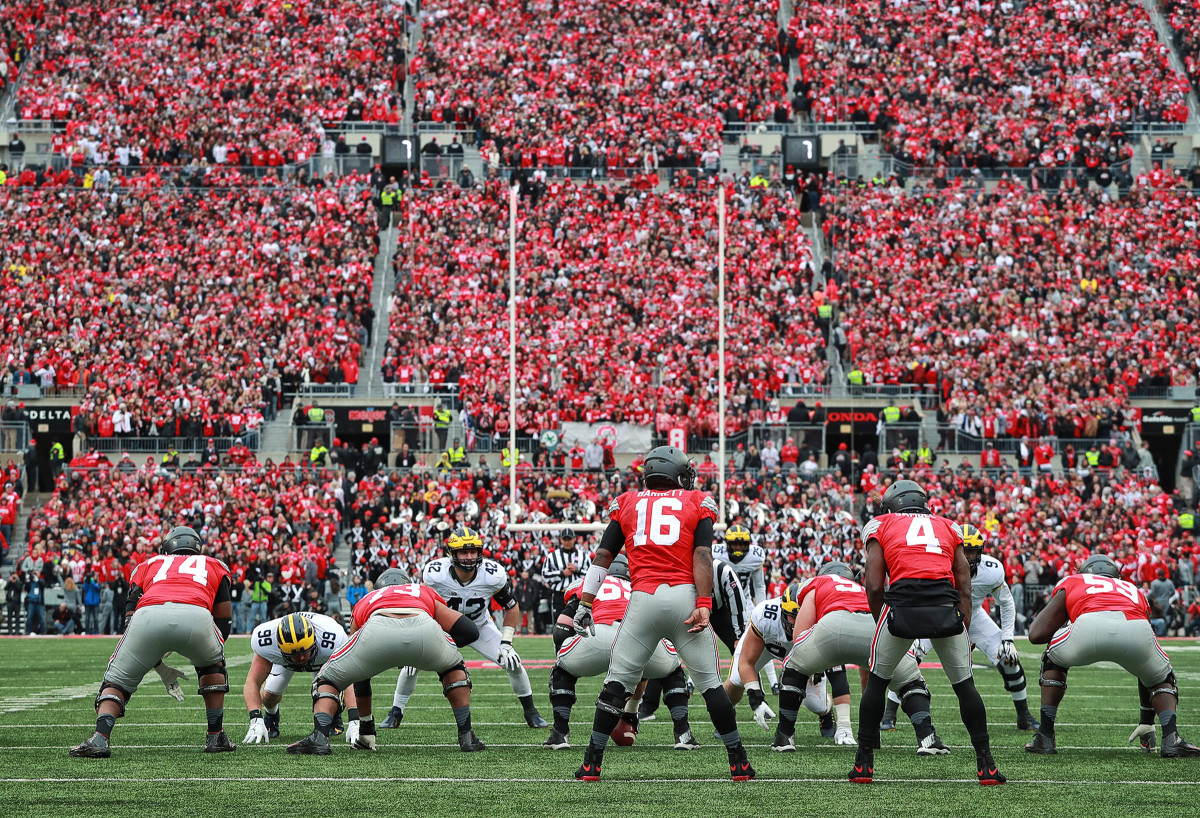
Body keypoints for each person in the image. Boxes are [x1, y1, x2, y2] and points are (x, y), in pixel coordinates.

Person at [569, 446, 754, 781]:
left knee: (617, 684)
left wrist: (585, 602)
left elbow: (603, 556)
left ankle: (591, 762)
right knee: (711, 685)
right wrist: (704, 603)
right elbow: (701, 553)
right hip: (684, 597)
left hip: (642, 600)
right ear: (675, 473)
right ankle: (738, 762)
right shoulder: (697, 500)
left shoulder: (626, 501)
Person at [850, 480, 1005, 785]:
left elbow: (874, 583)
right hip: (945, 609)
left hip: (903, 608)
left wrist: (881, 615)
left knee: (877, 683)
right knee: (965, 687)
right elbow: (964, 581)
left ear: (892, 505)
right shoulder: (948, 525)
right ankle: (986, 764)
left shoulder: (880, 523)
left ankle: (863, 764)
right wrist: (964, 623)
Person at [70, 526, 234, 758]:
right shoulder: (214, 564)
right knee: (213, 665)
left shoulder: (148, 564)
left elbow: (129, 619)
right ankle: (215, 735)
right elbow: (224, 620)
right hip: (197, 612)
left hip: (148, 613)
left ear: (165, 547)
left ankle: (100, 738)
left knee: (117, 680)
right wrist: (209, 656)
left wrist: (159, 666)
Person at [286, 567, 486, 755]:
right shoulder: (420, 590)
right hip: (424, 629)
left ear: (379, 587)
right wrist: (431, 652)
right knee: (454, 666)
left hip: (377, 628)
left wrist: (366, 730)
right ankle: (466, 735)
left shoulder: (368, 598)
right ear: (407, 583)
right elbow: (469, 631)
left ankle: (321, 737)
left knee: (327, 680)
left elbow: (360, 676)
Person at [1024, 554, 1200, 758]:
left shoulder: (1074, 580)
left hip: (1088, 627)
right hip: (1136, 627)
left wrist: (1066, 622)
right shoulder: (1133, 589)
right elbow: (1143, 664)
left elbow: (1036, 634)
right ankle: (1171, 738)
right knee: (1160, 674)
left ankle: (1045, 736)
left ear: (1085, 571)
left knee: (1052, 658)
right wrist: (1146, 720)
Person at [379, 525, 546, 730]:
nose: (468, 557)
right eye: (463, 552)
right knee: (410, 665)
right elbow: (422, 602)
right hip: (442, 627)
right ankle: (396, 712)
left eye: (473, 551)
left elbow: (511, 607)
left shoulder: (492, 575)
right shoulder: (435, 574)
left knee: (513, 662)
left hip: (480, 626)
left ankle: (531, 711)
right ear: (452, 554)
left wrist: (507, 641)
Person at [778, 562, 949, 756]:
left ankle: (785, 736)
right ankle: (927, 737)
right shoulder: (860, 589)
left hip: (835, 623)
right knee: (910, 680)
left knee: (793, 665)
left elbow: (800, 635)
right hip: (876, 627)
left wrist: (811, 664)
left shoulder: (817, 583)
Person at [882, 524, 1038, 732]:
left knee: (1009, 659)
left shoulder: (991, 570)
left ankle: (1024, 715)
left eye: (972, 551)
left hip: (974, 616)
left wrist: (1007, 639)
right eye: (963, 550)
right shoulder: (937, 565)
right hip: (938, 613)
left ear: (980, 551)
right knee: (909, 659)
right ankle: (889, 714)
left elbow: (1006, 603)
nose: (967, 557)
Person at [544, 554, 700, 750]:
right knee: (673, 670)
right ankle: (683, 735)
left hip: (598, 634)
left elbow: (562, 628)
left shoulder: (585, 583)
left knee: (562, 670)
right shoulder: (643, 583)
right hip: (638, 637)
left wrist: (565, 659)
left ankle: (560, 734)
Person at [722, 582, 851, 745]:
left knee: (816, 704)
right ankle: (725, 716)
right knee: (736, 679)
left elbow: (839, 674)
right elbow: (746, 662)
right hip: (766, 646)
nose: (797, 622)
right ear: (782, 610)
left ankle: (826, 712)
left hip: (803, 652)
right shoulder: (765, 615)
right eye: (792, 615)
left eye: (803, 614)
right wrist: (756, 699)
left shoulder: (824, 621)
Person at [636, 556, 749, 723]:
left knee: (742, 651)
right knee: (664, 653)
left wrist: (739, 636)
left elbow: (738, 604)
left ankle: (755, 699)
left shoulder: (724, 571)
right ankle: (648, 705)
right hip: (687, 611)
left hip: (716, 610)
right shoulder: (681, 566)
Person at [242, 611, 359, 745]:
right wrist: (255, 719)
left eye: (305, 652)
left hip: (322, 660)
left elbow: (349, 679)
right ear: (279, 646)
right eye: (294, 655)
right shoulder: (266, 641)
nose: (301, 658)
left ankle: (334, 711)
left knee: (326, 692)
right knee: (269, 694)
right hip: (286, 663)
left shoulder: (332, 638)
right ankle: (272, 715)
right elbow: (252, 681)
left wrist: (355, 720)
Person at [712, 524, 775, 690]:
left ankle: (771, 683)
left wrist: (760, 607)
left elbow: (759, 586)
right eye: (734, 544)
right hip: (719, 602)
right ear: (727, 543)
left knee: (755, 641)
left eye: (741, 544)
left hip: (744, 602)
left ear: (748, 544)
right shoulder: (715, 552)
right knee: (706, 640)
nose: (738, 547)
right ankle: (692, 683)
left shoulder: (755, 557)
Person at [541, 528, 592, 623]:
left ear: (574, 539)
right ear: (561, 540)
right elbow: (544, 575)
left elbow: (591, 575)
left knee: (579, 624)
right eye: (565, 539)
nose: (567, 542)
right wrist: (561, 573)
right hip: (559, 594)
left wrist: (577, 570)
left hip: (578, 595)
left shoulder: (584, 556)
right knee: (558, 625)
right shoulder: (552, 556)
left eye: (569, 539)